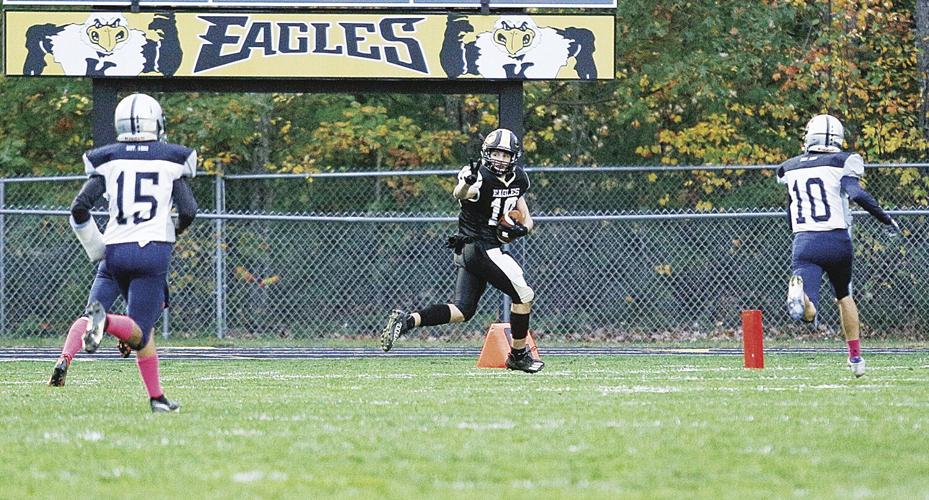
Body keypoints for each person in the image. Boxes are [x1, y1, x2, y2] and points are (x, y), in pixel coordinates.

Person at [48, 93, 197, 412]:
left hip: (114, 251)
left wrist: (96, 247)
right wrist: (173, 233)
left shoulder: (110, 157)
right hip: (152, 250)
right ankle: (108, 326)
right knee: (140, 331)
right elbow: (188, 210)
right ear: (154, 122)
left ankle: (157, 398)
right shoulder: (172, 157)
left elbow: (79, 207)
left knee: (107, 319)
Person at [381, 128, 543, 373]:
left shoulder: (519, 178)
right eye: (495, 153)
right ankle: (518, 355)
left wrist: (521, 229)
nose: (499, 159)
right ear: (487, 154)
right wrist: (466, 185)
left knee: (462, 310)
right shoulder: (477, 175)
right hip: (480, 245)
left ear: (514, 157)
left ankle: (408, 320)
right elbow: (461, 193)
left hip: (477, 249)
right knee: (524, 294)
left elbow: (528, 219)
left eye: (505, 154)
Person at [777, 114, 899, 378]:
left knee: (808, 313)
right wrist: (886, 219)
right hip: (837, 240)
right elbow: (857, 194)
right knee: (844, 296)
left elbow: (790, 209)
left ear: (811, 136)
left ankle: (805, 302)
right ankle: (856, 359)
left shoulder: (791, 167)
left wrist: (797, 234)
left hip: (805, 241)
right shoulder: (842, 162)